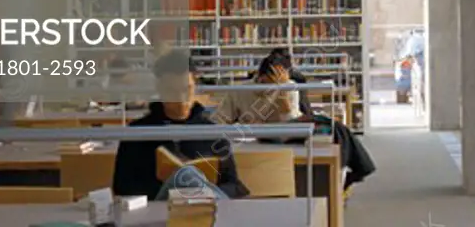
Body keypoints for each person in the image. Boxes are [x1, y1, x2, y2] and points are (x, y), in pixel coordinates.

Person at [218, 49, 376, 195]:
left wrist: (283, 95)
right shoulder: (239, 91)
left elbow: (290, 121)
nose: (268, 84)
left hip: (291, 134)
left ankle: (342, 177)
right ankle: (350, 174)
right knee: (335, 130)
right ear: (260, 74)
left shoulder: (289, 87)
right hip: (271, 139)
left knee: (335, 130)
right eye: (267, 78)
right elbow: (219, 121)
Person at [112, 49, 249, 201]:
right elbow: (122, 186)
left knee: (189, 176)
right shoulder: (138, 133)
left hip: (203, 210)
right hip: (158, 212)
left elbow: (234, 185)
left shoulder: (213, 132)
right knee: (186, 176)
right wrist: (175, 188)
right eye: (172, 91)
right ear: (160, 90)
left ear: (195, 86)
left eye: (187, 89)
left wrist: (203, 191)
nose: (181, 99)